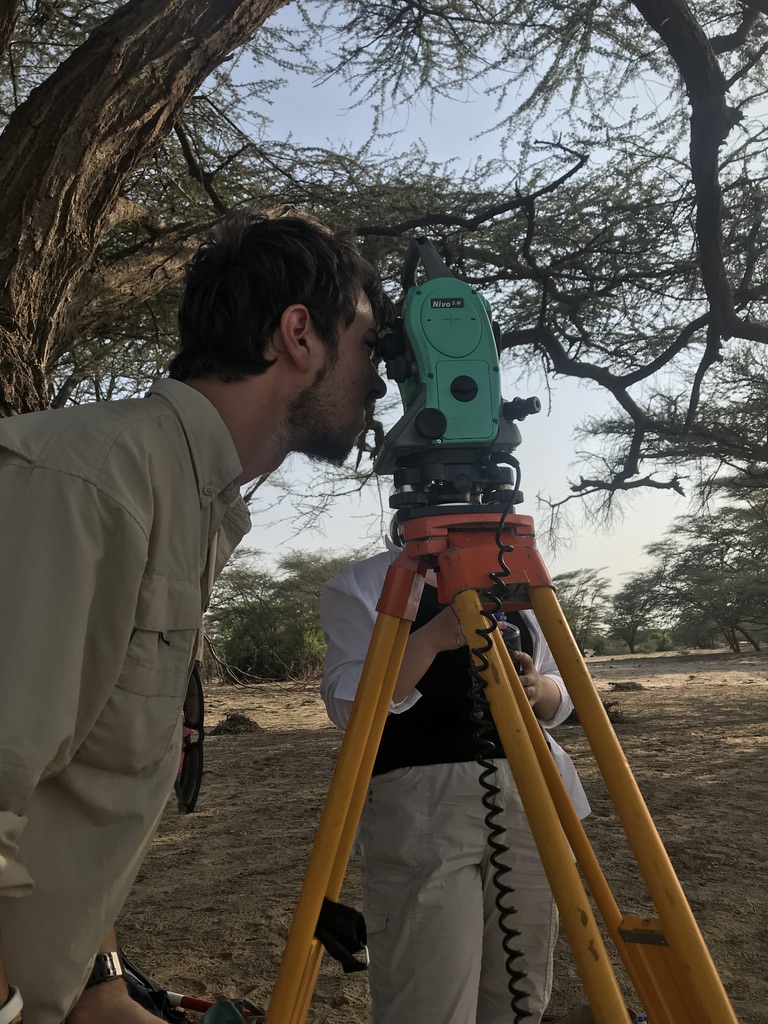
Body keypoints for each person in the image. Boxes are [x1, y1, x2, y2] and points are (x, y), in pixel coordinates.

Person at [0, 212, 388, 1024]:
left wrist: (101, 987)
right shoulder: (94, 482)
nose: (382, 382)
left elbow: (83, 783)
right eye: (369, 344)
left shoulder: (188, 498)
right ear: (299, 335)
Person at [320, 533, 590, 1024]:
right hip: (420, 804)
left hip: (532, 794)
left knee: (520, 990)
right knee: (428, 993)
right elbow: (346, 704)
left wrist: (538, 688)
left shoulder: (514, 573)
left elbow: (562, 687)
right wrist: (429, 640)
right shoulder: (365, 582)